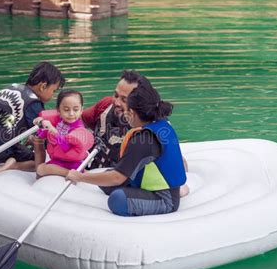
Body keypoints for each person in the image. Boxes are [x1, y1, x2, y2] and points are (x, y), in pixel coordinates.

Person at [67, 81, 187, 216]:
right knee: (106, 181)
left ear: (133, 113)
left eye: (126, 110)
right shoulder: (160, 122)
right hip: (146, 181)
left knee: (117, 199)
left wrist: (80, 177)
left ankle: (179, 192)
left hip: (165, 198)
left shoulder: (144, 140)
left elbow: (117, 178)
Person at [82, 70, 190, 196]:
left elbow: (173, 161)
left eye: (124, 99)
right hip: (93, 171)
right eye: (116, 95)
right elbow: (77, 121)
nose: (117, 102)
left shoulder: (153, 126)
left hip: (123, 178)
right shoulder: (105, 106)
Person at [0, 61, 65, 174]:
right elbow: (41, 137)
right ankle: (14, 165)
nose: (53, 96)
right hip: (0, 152)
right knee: (39, 162)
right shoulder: (33, 104)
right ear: (43, 86)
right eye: (53, 91)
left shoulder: (11, 88)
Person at [33, 90, 94, 178]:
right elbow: (37, 124)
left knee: (41, 169)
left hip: (72, 163)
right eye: (66, 110)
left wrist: (53, 130)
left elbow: (66, 147)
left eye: (76, 109)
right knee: (40, 168)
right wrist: (41, 121)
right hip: (58, 160)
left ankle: (73, 173)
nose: (71, 114)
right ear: (58, 110)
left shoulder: (78, 128)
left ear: (81, 110)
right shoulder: (59, 121)